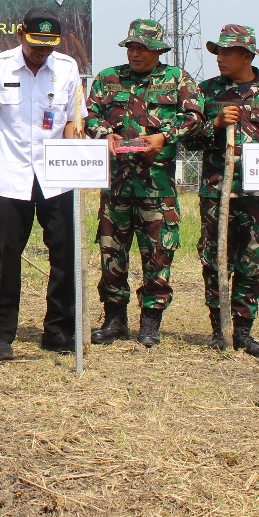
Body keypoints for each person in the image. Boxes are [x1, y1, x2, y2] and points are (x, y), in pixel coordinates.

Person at [85, 18, 202, 348]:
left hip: (157, 188)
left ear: (158, 50)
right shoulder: (109, 78)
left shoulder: (177, 79)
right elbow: (90, 114)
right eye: (132, 47)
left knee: (158, 256)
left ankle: (150, 324)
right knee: (111, 255)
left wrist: (164, 137)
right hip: (117, 186)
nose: (136, 54)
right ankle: (114, 320)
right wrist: (105, 135)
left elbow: (194, 117)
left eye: (143, 48)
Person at [0, 11, 81, 360]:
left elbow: (71, 121)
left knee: (65, 255)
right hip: (10, 175)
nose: (40, 52)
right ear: (21, 35)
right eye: (35, 45)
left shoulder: (67, 68)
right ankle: (1, 333)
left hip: (56, 178)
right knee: (6, 257)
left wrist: (76, 165)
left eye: (48, 47)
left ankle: (59, 331)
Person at [189, 25, 259, 358]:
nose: (219, 59)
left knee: (251, 261)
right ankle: (219, 328)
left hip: (255, 194)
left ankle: (245, 331)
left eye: (226, 53)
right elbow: (189, 138)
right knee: (214, 258)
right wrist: (215, 124)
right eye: (218, 53)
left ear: (246, 56)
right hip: (215, 190)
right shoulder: (205, 92)